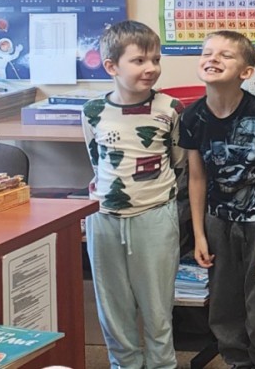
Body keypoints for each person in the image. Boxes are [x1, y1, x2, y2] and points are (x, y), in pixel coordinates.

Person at [182, 30, 255, 369]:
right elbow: (196, 177)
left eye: (225, 55)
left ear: (246, 72)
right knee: (223, 296)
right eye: (207, 52)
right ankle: (237, 361)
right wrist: (199, 234)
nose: (213, 58)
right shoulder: (192, 116)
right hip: (217, 220)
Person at [83, 21, 185, 369]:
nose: (151, 68)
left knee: (157, 306)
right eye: (139, 60)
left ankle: (161, 364)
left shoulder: (170, 108)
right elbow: (96, 160)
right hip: (104, 217)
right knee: (113, 306)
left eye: (155, 59)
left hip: (154, 215)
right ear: (111, 66)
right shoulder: (92, 111)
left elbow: (178, 160)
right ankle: (123, 364)